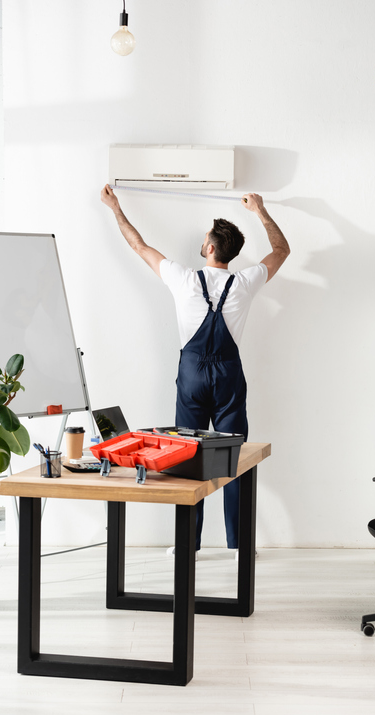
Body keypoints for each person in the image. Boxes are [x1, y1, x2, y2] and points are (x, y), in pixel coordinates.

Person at [101, 185, 290, 557]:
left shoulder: (183, 278)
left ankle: (189, 542)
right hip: (229, 377)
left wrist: (115, 207)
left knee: (186, 457)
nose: (203, 241)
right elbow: (282, 250)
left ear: (210, 249)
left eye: (205, 239)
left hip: (191, 378)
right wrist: (261, 211)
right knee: (233, 457)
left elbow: (138, 246)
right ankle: (239, 545)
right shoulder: (245, 281)